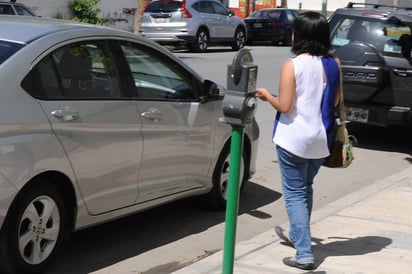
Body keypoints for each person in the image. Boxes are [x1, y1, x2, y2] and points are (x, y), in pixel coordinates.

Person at [255, 11, 341, 270]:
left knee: (294, 195)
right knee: (306, 188)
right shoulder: (334, 64)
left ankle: (304, 253)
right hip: (321, 140)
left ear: (298, 36)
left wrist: (266, 96)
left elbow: (284, 105)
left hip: (293, 139)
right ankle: (296, 234)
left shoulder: (292, 65)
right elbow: (335, 102)